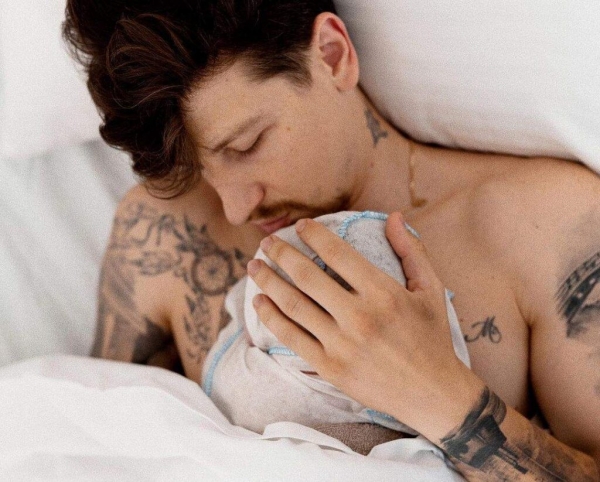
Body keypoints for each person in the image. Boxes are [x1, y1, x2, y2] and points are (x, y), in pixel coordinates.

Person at [63, 1, 600, 479]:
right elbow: (87, 454)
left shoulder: (542, 226)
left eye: (246, 145)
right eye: (197, 171)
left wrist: (440, 395)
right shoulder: (163, 236)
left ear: (332, 54)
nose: (235, 209)